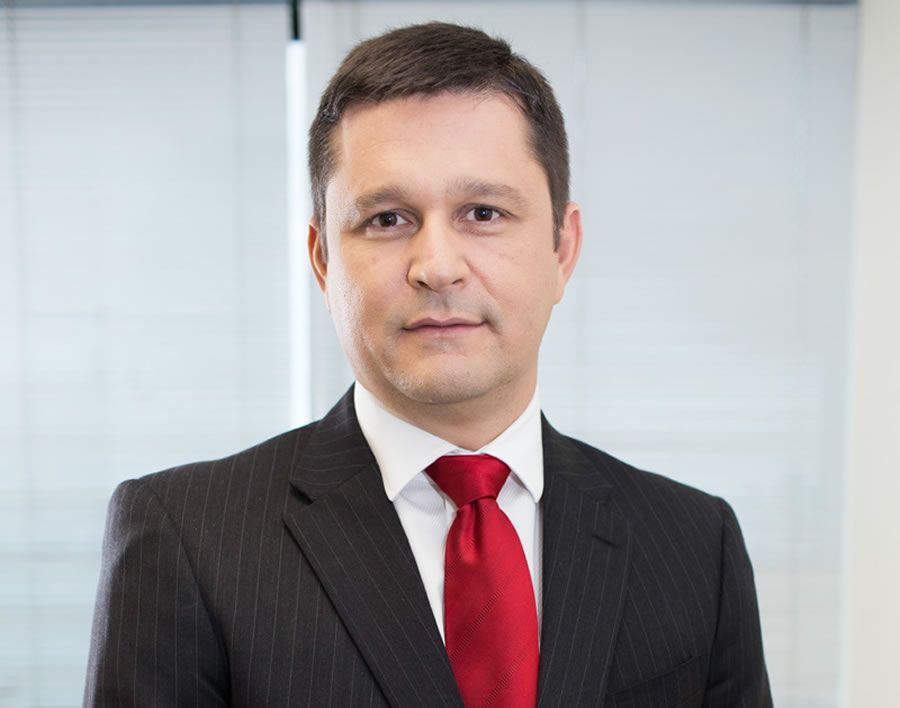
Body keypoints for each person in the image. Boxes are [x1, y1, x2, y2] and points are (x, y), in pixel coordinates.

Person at [84, 21, 771, 707]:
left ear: (563, 249)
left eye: (483, 212)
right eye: (387, 219)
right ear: (323, 261)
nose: (437, 267)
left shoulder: (693, 544)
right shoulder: (187, 537)